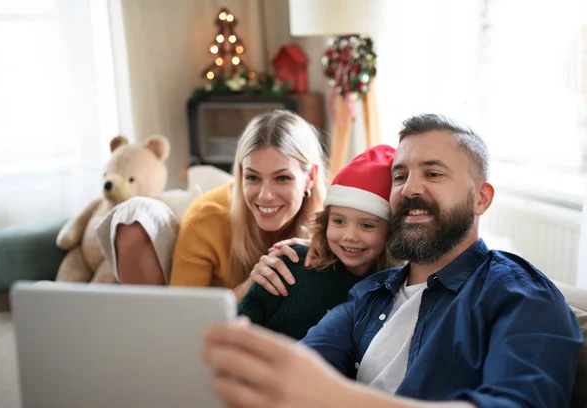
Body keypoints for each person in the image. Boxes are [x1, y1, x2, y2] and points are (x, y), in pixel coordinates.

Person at [201, 113, 584, 407]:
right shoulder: (369, 295)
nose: (411, 188)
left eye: (433, 173)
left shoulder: (519, 294)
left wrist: (338, 398)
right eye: (400, 177)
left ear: (481, 198)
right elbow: (298, 368)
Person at [96, 110, 327, 300]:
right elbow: (183, 320)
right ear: (239, 175)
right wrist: (249, 288)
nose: (265, 196)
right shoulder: (205, 219)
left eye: (282, 178)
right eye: (253, 178)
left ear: (310, 177)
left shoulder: (335, 222)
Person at [238, 145, 401, 340]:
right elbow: (236, 330)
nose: (349, 236)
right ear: (325, 223)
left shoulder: (396, 290)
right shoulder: (291, 264)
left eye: (367, 226)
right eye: (338, 221)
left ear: (391, 233)